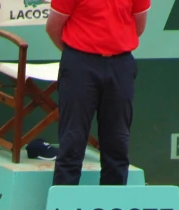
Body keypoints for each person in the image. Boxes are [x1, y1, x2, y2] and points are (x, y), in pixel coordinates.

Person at [46, 0, 150, 186]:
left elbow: (138, 26)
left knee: (117, 142)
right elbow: (53, 27)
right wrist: (79, 52)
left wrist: (112, 46)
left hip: (120, 65)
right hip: (80, 64)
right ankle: (65, 208)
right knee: (72, 141)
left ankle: (112, 207)